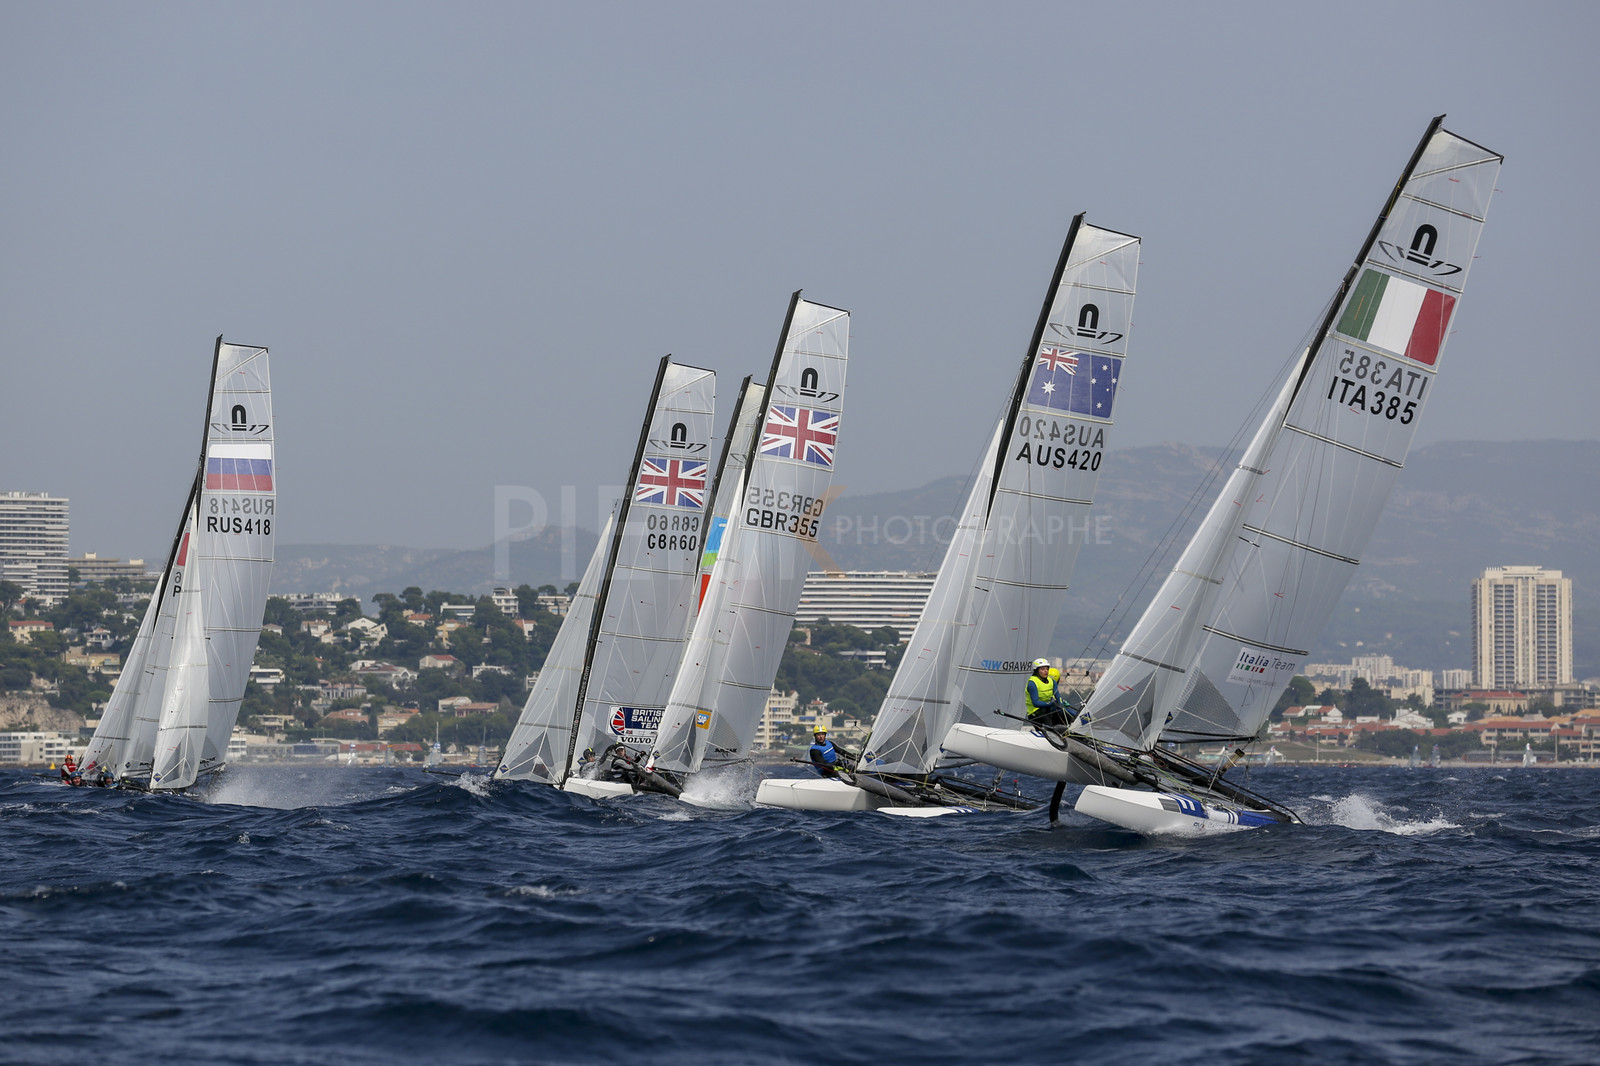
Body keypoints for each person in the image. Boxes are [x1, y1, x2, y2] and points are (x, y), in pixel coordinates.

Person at [1024, 658, 1071, 729]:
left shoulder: (1052, 682)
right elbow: (1035, 703)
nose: (1046, 671)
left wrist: (1061, 704)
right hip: (1036, 713)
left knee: (1067, 717)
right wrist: (1051, 704)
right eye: (1042, 669)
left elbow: (1058, 696)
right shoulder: (1032, 683)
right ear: (1036, 671)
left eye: (1047, 669)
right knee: (1050, 726)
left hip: (1048, 709)